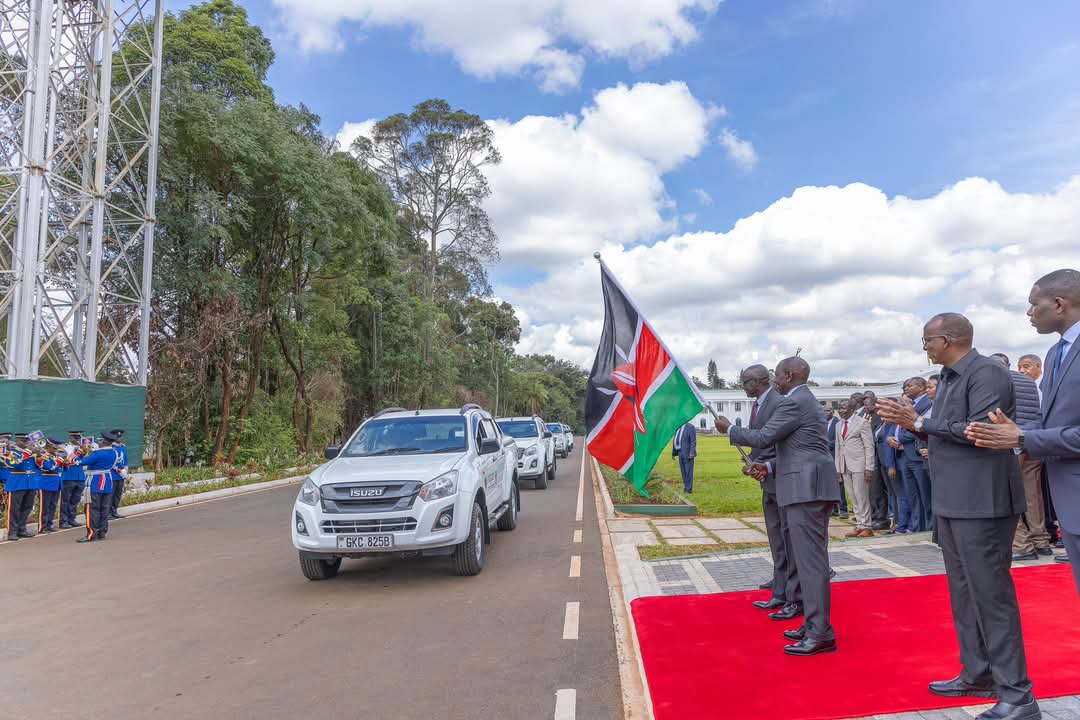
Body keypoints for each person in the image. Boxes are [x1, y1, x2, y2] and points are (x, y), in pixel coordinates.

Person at [878, 313, 1036, 720]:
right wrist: (915, 424)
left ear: (947, 340)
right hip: (952, 500)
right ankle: (978, 672)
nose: (925, 347)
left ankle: (1017, 694)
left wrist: (920, 421)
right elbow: (943, 429)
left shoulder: (987, 373)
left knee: (991, 597)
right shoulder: (948, 378)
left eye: (927, 340)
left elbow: (980, 430)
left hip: (983, 500)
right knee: (964, 593)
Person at [716, 357, 840, 657]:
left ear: (789, 375)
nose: (774, 381)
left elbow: (763, 437)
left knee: (811, 563)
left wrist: (730, 429)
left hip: (805, 489)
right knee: (807, 560)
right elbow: (798, 448)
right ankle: (812, 624)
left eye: (777, 375)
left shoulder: (794, 401)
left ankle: (820, 632)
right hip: (806, 485)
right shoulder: (803, 400)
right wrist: (769, 468)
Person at [968, 268, 1080, 589]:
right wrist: (1014, 431)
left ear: (1058, 304)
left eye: (1034, 304)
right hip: (1069, 498)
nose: (1029, 312)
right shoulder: (1056, 352)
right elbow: (1054, 420)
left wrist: (1024, 436)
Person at [739, 364, 800, 610]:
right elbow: (761, 441)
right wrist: (752, 461)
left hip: (781, 479)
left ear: (758, 381)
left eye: (745, 382)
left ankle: (787, 592)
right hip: (768, 480)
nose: (743, 387)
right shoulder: (760, 405)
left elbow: (778, 443)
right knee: (776, 537)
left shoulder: (779, 403)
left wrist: (766, 465)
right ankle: (780, 582)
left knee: (786, 538)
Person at [989, 354, 1051, 562]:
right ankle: (1041, 541)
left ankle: (1021, 545)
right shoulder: (1028, 382)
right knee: (1033, 495)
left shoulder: (994, 381)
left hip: (1010, 441)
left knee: (1007, 493)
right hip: (1032, 440)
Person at [893, 377, 933, 532]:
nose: (906, 388)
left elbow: (920, 426)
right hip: (907, 456)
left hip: (918, 455)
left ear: (921, 387)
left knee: (925, 495)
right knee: (914, 496)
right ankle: (917, 526)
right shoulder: (914, 404)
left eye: (910, 386)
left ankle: (929, 528)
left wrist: (900, 438)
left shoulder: (927, 403)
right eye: (906, 386)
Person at [834, 399, 876, 537]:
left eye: (843, 408)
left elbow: (869, 446)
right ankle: (859, 525)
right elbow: (838, 446)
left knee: (861, 496)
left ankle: (867, 526)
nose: (841, 410)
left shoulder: (862, 423)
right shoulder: (838, 424)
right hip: (845, 465)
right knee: (853, 497)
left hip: (859, 465)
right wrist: (838, 468)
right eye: (839, 408)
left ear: (852, 409)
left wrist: (869, 467)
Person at [71, 431, 121, 543]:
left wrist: (78, 452)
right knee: (104, 508)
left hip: (95, 482)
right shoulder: (114, 452)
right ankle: (102, 532)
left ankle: (91, 534)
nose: (99, 442)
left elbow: (78, 462)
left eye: (100, 440)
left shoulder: (98, 454)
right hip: (107, 482)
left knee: (91, 508)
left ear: (103, 441)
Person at [3, 432, 43, 540]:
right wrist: (28, 451)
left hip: (30, 482)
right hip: (17, 483)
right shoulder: (12, 452)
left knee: (27, 507)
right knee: (14, 509)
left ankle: (22, 529)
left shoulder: (32, 452)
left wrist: (39, 455)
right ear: (17, 441)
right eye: (24, 441)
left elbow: (41, 466)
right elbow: (13, 464)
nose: (27, 443)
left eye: (27, 441)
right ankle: (12, 532)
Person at [35, 438, 65, 534]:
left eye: (57, 447)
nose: (56, 449)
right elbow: (49, 467)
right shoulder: (43, 456)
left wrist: (65, 461)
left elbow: (64, 468)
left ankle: (49, 524)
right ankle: (43, 526)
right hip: (46, 483)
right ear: (48, 447)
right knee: (45, 506)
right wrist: (60, 460)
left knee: (53, 505)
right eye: (54, 447)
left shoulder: (56, 456)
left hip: (56, 482)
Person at [60, 431, 88, 529]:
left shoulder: (82, 448)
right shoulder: (64, 447)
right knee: (66, 500)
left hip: (79, 476)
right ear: (70, 438)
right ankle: (64, 521)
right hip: (68, 476)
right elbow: (66, 459)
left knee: (75, 499)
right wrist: (76, 452)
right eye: (76, 438)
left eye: (79, 438)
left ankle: (72, 518)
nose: (78, 440)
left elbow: (85, 459)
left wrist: (84, 449)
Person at [824, 406, 847, 519]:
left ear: (833, 412)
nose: (826, 412)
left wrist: (826, 445)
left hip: (835, 456)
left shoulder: (838, 423)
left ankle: (843, 509)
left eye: (828, 410)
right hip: (825, 458)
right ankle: (833, 509)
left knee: (839, 484)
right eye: (824, 411)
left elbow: (840, 439)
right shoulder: (822, 423)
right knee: (828, 484)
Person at [672, 421, 697, 494]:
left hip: (688, 453)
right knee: (683, 472)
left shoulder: (690, 427)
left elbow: (693, 441)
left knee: (688, 472)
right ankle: (686, 487)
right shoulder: (677, 427)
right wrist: (673, 453)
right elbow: (675, 440)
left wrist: (692, 452)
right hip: (680, 452)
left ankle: (688, 490)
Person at [109, 429, 128, 519]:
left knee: (117, 495)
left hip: (121, 475)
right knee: (110, 495)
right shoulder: (110, 448)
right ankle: (108, 513)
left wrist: (125, 472)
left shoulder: (123, 447)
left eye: (120, 437)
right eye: (117, 437)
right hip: (112, 475)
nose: (119, 438)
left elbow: (125, 461)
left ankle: (114, 511)